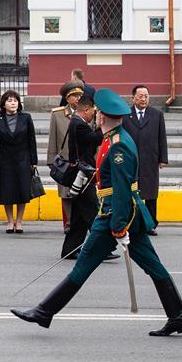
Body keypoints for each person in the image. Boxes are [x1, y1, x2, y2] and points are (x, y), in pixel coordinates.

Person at [11, 88, 182, 337]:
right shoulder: (112, 139)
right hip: (118, 215)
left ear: (102, 117)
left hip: (117, 217)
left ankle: (44, 312)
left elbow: (121, 190)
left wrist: (117, 225)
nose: (95, 115)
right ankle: (178, 318)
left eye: (97, 112)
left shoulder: (119, 147)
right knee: (148, 266)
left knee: (87, 266)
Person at [61, 94, 117, 261]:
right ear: (86, 109)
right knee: (93, 212)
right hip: (82, 176)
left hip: (81, 174)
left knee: (79, 217)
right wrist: (103, 124)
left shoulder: (77, 123)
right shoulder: (79, 125)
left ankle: (69, 250)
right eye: (93, 110)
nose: (94, 112)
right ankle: (102, 248)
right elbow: (96, 139)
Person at [122, 85, 168, 234]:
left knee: (150, 194)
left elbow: (162, 138)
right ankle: (132, 223)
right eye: (140, 96)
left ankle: (151, 224)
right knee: (132, 194)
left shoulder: (156, 114)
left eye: (146, 96)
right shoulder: (125, 115)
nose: (143, 99)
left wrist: (163, 159)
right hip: (131, 161)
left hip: (150, 160)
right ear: (133, 98)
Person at [0, 90, 38, 233]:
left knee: (22, 191)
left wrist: (33, 160)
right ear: (3, 104)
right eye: (10, 101)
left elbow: (32, 140)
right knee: (7, 191)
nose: (13, 103)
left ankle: (19, 221)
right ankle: (10, 221)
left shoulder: (26, 118)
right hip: (4, 160)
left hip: (23, 159)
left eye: (15, 101)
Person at [49, 81, 84, 233]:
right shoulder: (57, 115)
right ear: (67, 98)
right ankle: (69, 224)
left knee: (84, 194)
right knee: (66, 195)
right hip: (65, 162)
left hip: (83, 162)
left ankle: (83, 223)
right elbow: (53, 138)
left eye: (80, 95)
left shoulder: (88, 112)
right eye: (74, 96)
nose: (78, 98)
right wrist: (51, 160)